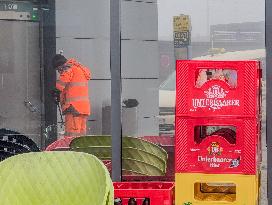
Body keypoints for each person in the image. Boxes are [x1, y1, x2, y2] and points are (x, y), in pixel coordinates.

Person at [51, 54, 91, 137]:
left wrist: (56, 91)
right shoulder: (79, 69)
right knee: (81, 135)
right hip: (83, 108)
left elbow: (62, 81)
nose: (59, 72)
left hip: (73, 108)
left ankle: (71, 149)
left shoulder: (68, 68)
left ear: (60, 66)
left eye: (58, 69)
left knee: (71, 135)